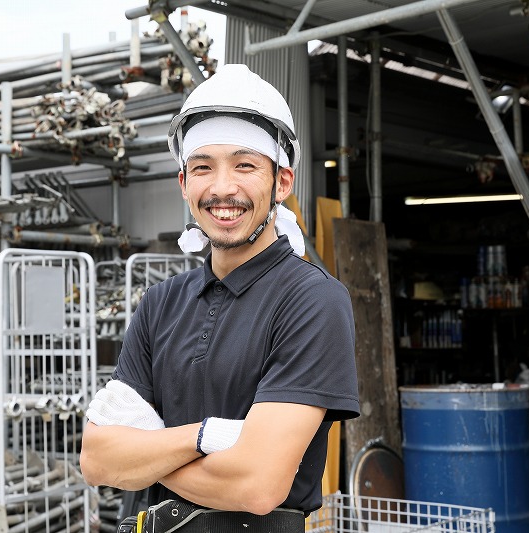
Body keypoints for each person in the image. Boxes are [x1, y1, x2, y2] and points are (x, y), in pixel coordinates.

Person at [79, 63, 359, 532]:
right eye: (203, 167)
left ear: (282, 182)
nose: (222, 188)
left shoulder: (312, 301)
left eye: (245, 165)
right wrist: (208, 437)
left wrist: (147, 451)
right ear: (184, 183)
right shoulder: (161, 303)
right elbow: (97, 461)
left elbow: (256, 486)